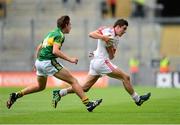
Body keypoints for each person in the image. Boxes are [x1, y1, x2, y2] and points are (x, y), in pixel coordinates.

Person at [6, 15, 102, 112]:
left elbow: (39, 47)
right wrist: (70, 59)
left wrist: (36, 61)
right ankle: (88, 104)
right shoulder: (59, 35)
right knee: (73, 81)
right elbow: (55, 51)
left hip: (40, 62)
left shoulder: (52, 33)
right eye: (70, 24)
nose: (71, 26)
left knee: (40, 87)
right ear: (66, 25)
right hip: (48, 62)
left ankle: (16, 95)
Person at [53, 19, 151, 107]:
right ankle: (137, 99)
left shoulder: (116, 39)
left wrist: (110, 48)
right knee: (126, 77)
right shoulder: (106, 30)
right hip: (101, 62)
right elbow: (91, 34)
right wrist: (103, 37)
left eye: (125, 30)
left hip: (98, 62)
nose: (124, 31)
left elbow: (112, 56)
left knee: (85, 88)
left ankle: (60, 93)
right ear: (118, 26)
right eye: (124, 29)